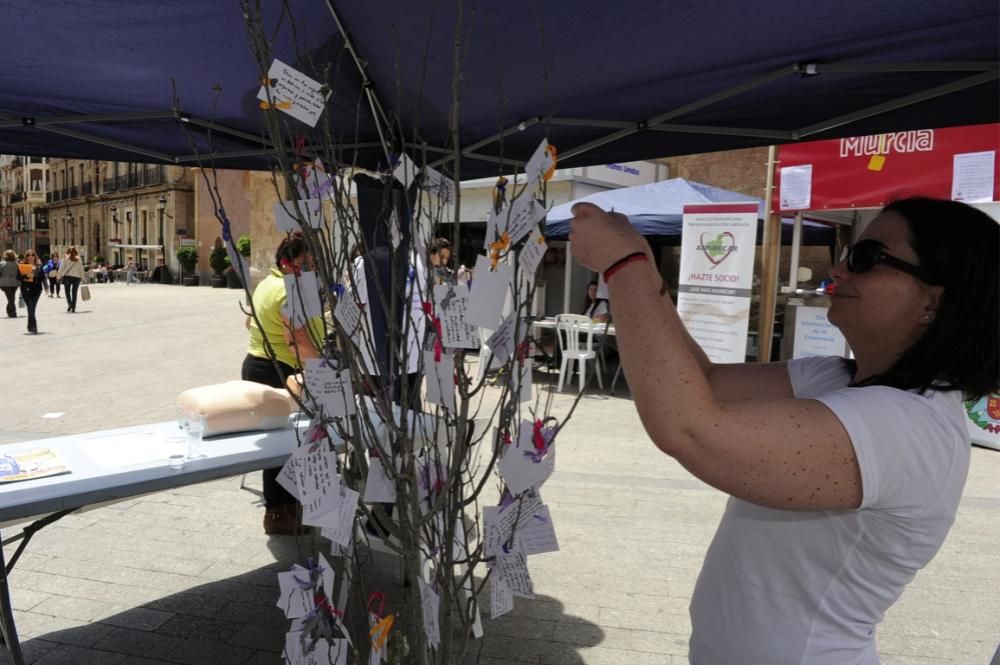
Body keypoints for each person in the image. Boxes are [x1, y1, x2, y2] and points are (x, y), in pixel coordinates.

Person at [568, 196, 998, 665]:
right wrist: (646, 269)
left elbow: (689, 428)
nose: (839, 268)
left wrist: (624, 264)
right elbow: (707, 381)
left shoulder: (906, 426)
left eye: (867, 258)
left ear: (935, 300)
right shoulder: (840, 379)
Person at [242, 233, 324, 535]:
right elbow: (298, 340)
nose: (311, 268)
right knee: (284, 445)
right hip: (278, 369)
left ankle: (283, 510)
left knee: (276, 443)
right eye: (306, 263)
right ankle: (279, 515)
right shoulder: (288, 291)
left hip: (258, 362)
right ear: (289, 263)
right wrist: (322, 365)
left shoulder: (266, 283)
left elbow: (248, 322)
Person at [17, 249, 44, 334]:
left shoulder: (39, 266)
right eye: (28, 255)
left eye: (32, 255)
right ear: (26, 257)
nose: (31, 257)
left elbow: (43, 278)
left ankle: (30, 326)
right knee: (31, 308)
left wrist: (46, 288)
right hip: (26, 290)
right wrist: (26, 275)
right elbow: (18, 277)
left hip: (37, 290)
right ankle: (33, 327)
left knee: (32, 309)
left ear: (35, 256)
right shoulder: (22, 265)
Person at [59, 246, 84, 312]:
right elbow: (81, 268)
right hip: (77, 277)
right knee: (74, 292)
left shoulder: (65, 258)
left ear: (67, 251)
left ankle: (70, 304)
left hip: (68, 277)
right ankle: (73, 307)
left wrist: (58, 276)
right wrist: (82, 277)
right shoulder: (79, 258)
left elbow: (61, 268)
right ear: (76, 251)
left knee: (67, 292)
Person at [0, 250, 20, 317]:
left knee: (11, 298)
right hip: (14, 283)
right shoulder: (17, 264)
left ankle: (11, 312)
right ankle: (12, 312)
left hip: (5, 283)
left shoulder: (2, 264)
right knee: (11, 298)